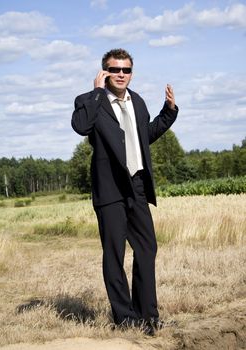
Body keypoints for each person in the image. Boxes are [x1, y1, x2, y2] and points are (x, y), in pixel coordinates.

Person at [71, 48, 178, 336]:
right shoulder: (89, 101)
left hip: (137, 185)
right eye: (115, 69)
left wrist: (168, 113)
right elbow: (81, 127)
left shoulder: (138, 102)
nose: (121, 75)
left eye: (126, 70)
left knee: (147, 248)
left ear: (131, 73)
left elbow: (146, 136)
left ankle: (147, 316)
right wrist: (95, 93)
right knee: (114, 254)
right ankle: (125, 318)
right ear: (104, 72)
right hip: (110, 189)